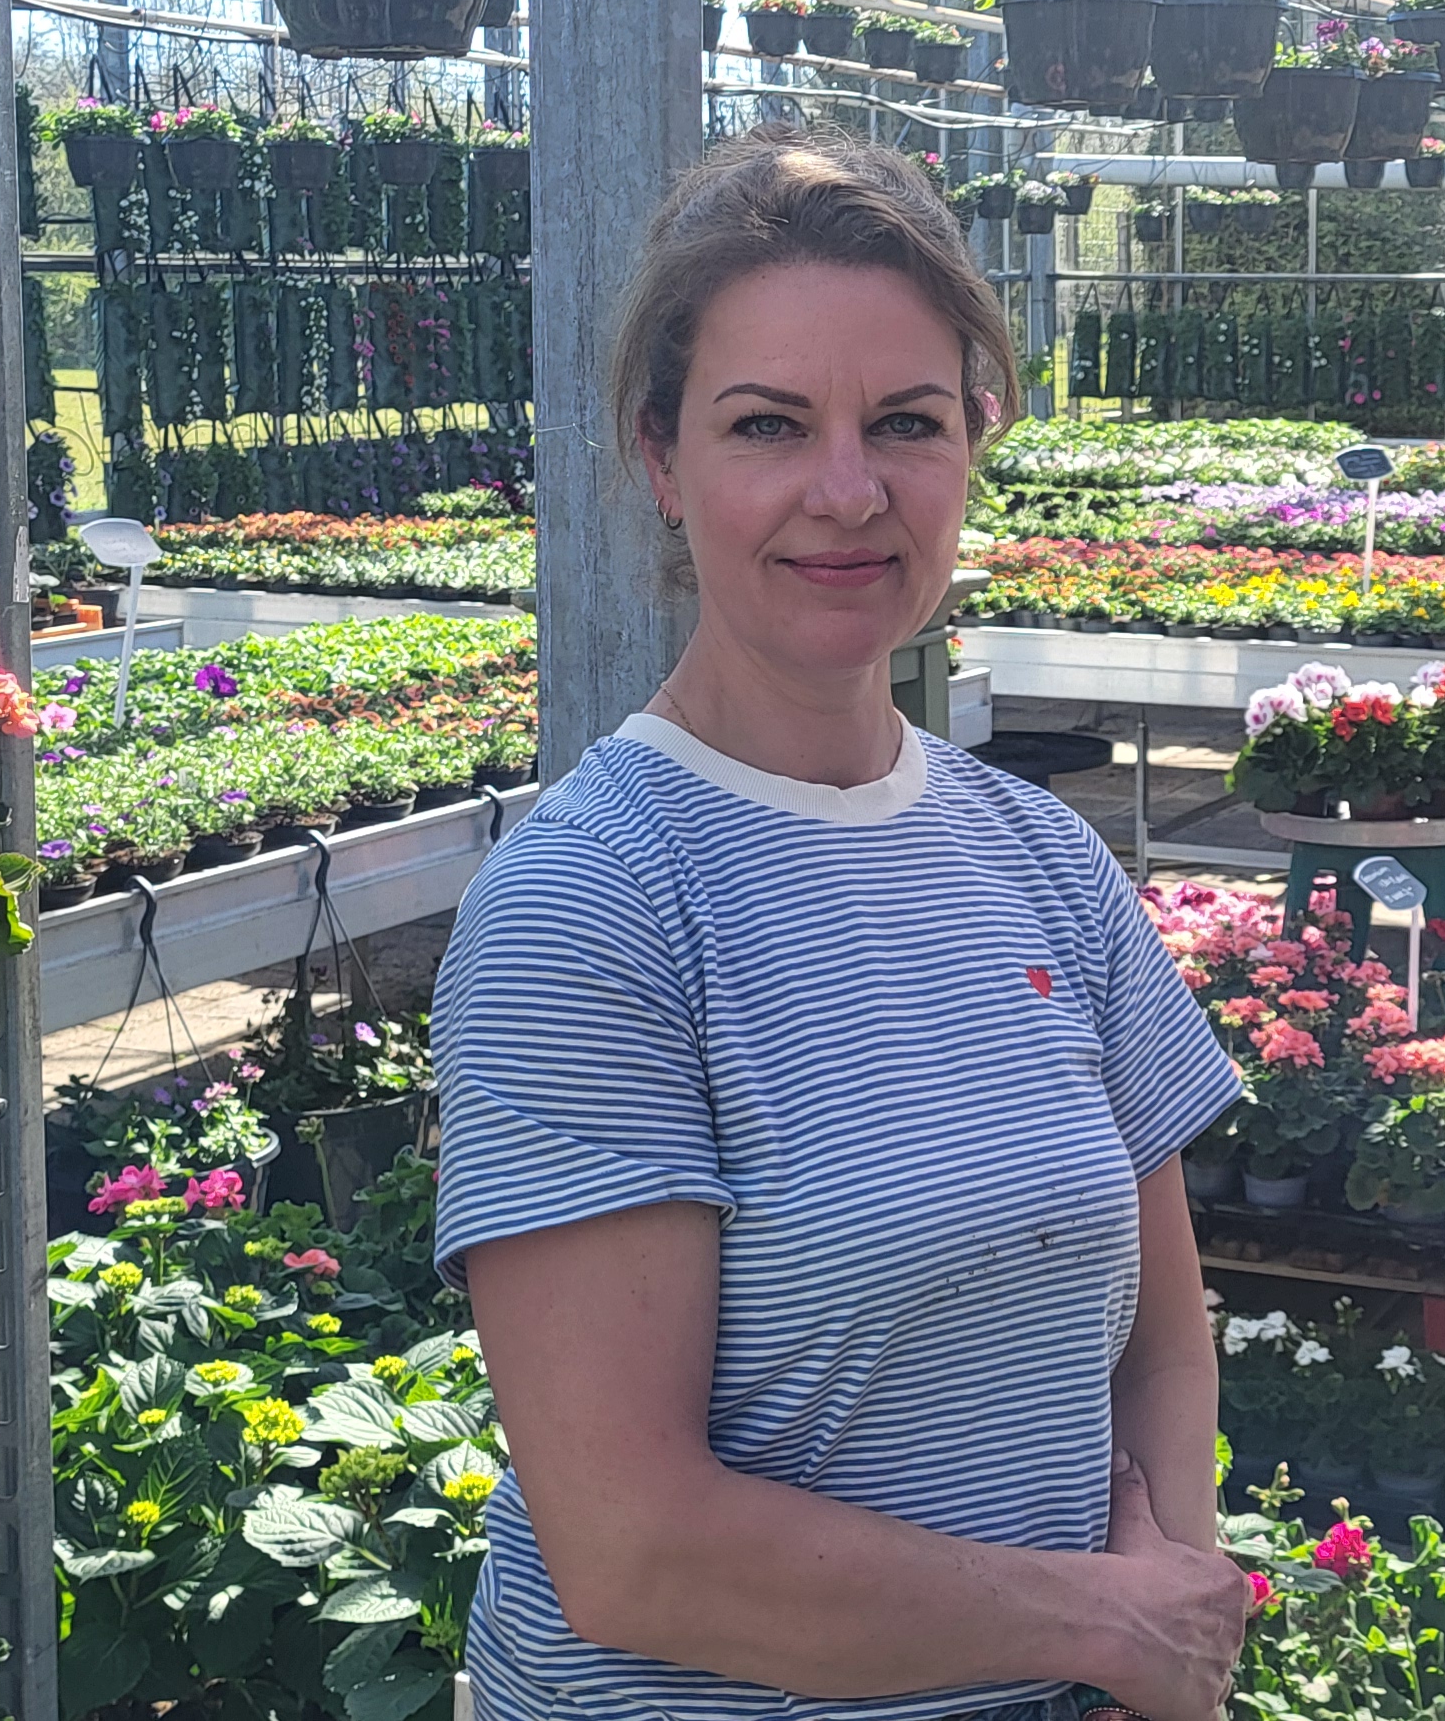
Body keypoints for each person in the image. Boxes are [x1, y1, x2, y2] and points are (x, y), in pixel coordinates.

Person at [435, 128, 1257, 1721]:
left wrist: (1166, 1598)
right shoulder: (592, 910)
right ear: (662, 461)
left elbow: (1158, 1339)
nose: (846, 490)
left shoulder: (1037, 854)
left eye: (906, 422)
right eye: (768, 424)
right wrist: (1095, 1621)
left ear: (973, 447)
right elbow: (635, 1550)